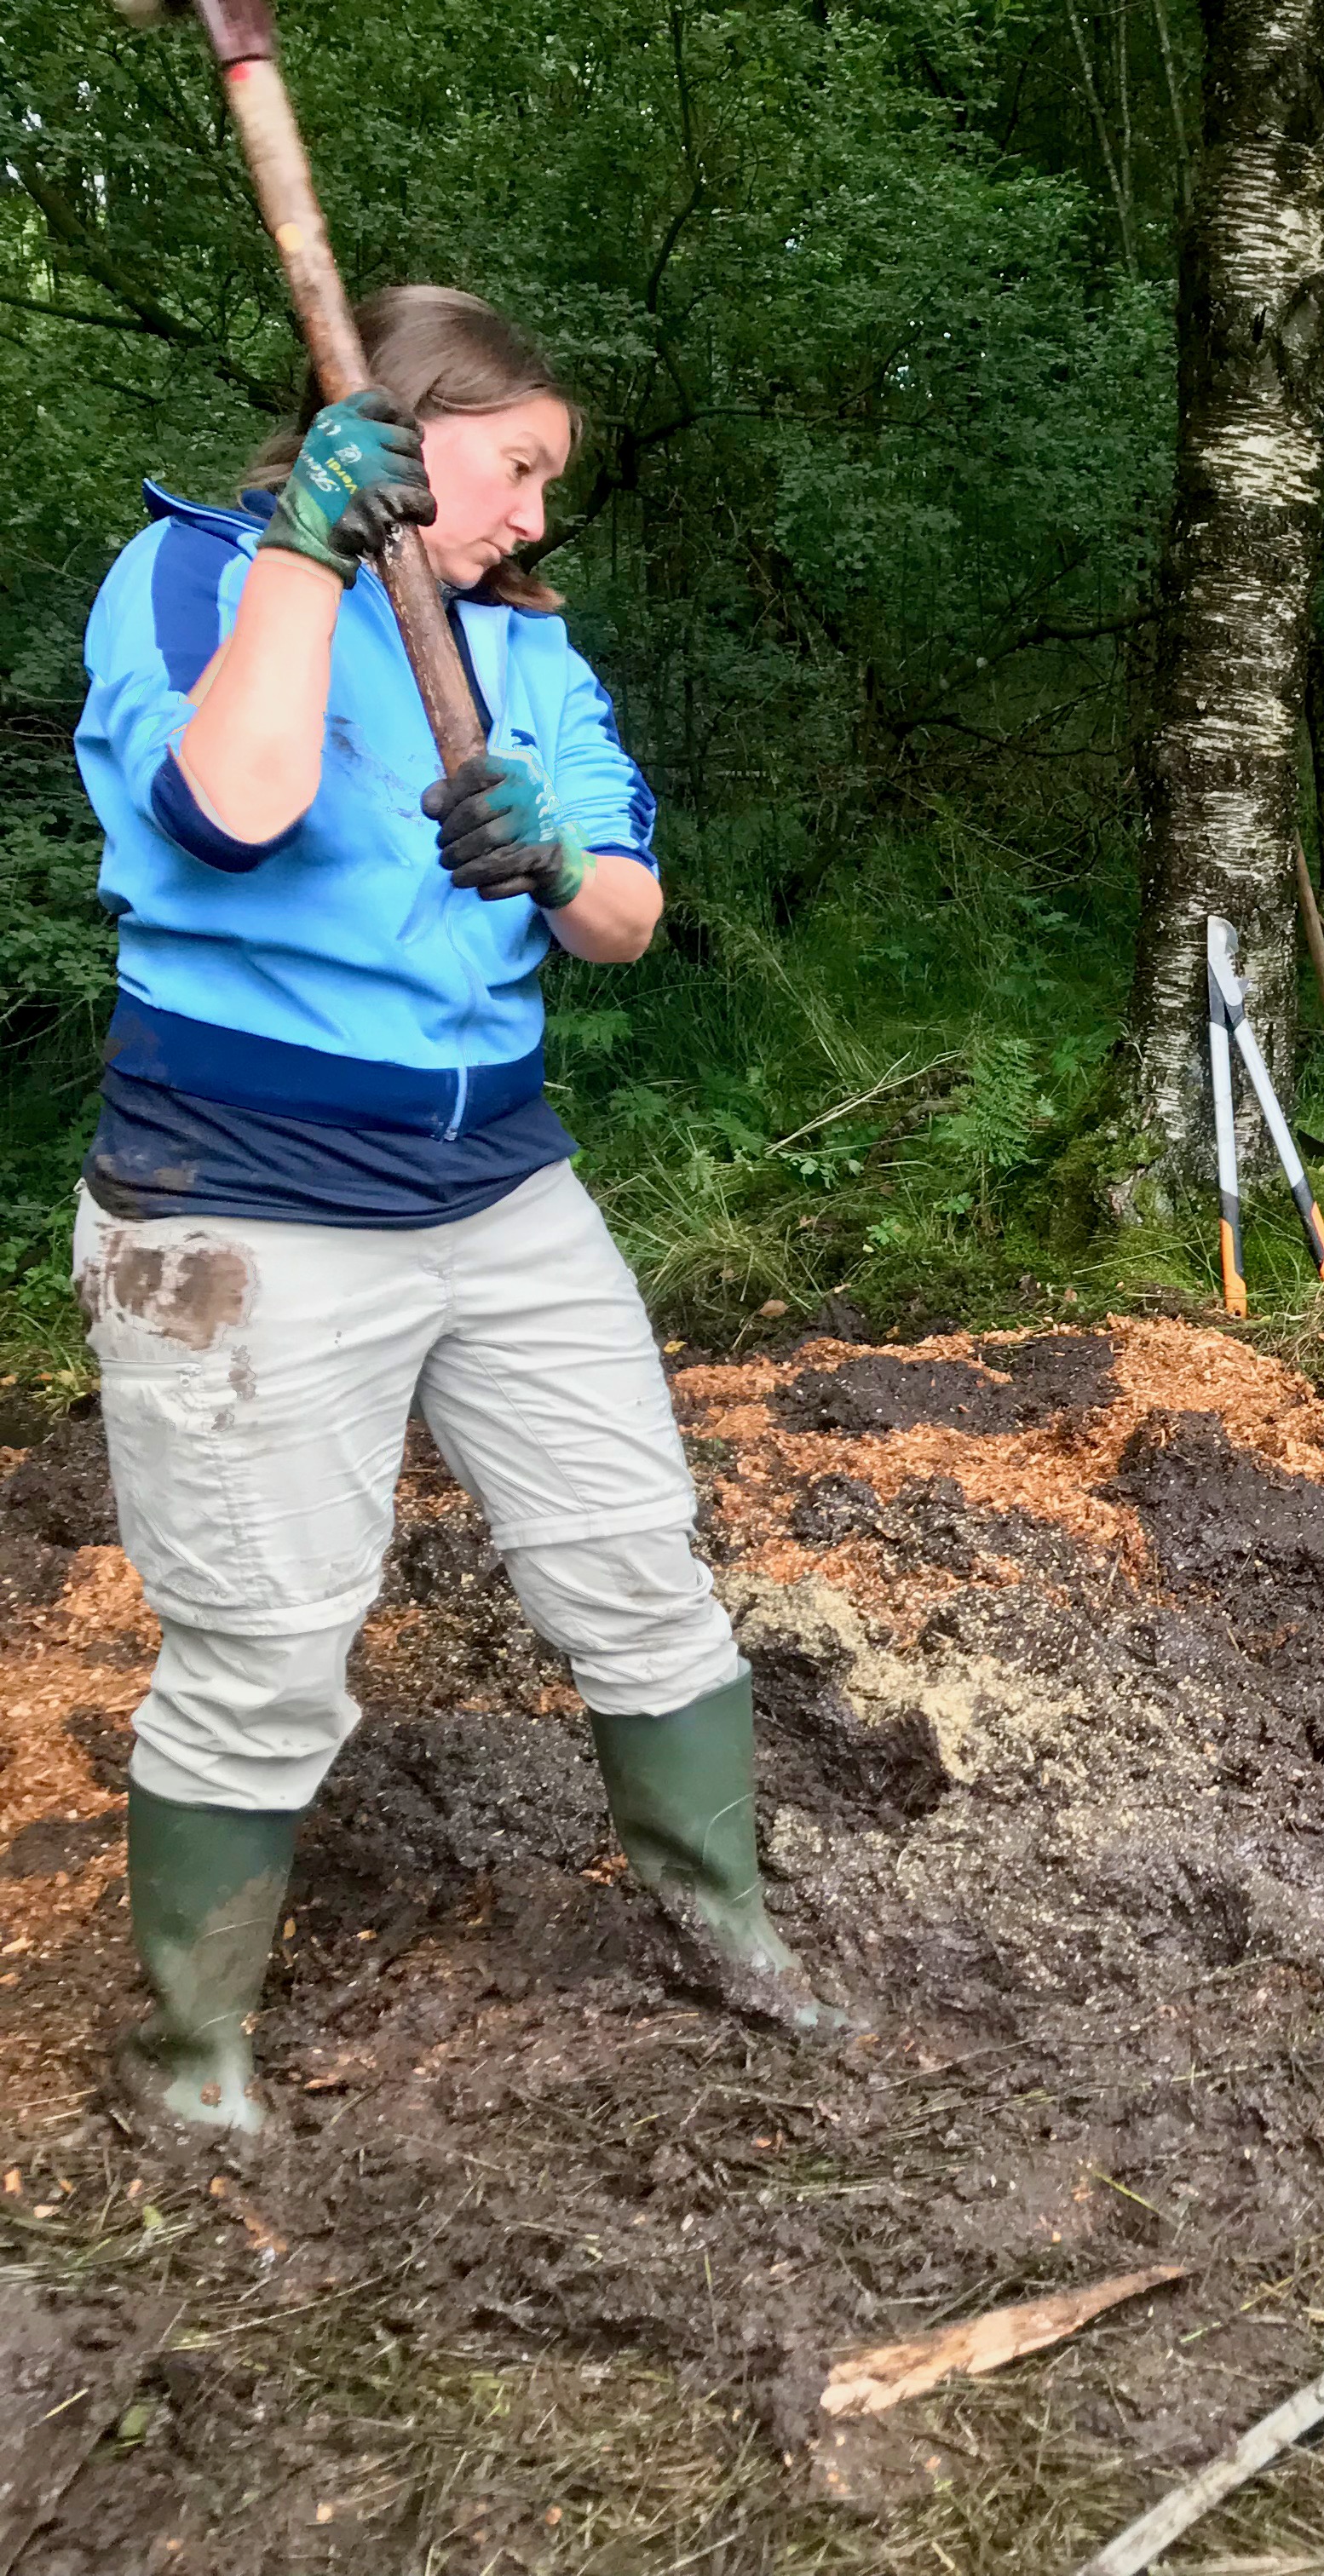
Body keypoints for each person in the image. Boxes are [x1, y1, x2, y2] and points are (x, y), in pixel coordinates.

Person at [70, 285, 843, 2139]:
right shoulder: (190, 575)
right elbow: (233, 811)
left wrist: (561, 856)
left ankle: (721, 1923)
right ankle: (191, 2067)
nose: (537, 516)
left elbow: (626, 920)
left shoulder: (528, 654)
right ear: (402, 435)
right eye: (517, 468)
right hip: (242, 1210)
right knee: (264, 1646)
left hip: (501, 1189)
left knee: (637, 1564)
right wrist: (303, 561)